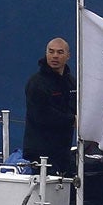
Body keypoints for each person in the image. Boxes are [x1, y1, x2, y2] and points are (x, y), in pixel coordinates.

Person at [21, 39, 76, 170]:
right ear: (46, 54)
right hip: (40, 154)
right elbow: (41, 115)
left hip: (63, 152)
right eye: (51, 52)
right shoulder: (36, 83)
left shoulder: (72, 83)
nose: (55, 56)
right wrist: (72, 120)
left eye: (60, 52)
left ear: (68, 56)